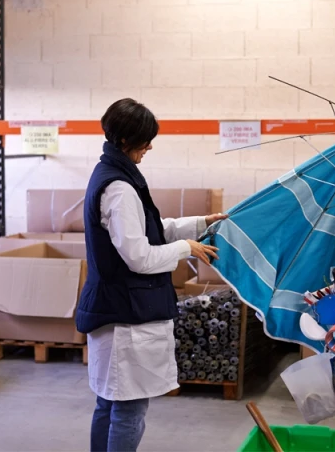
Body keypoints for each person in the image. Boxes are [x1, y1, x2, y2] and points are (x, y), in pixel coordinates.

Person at [75, 98, 228, 452]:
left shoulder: (113, 175)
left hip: (114, 311)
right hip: (126, 317)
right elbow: (139, 257)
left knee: (108, 404)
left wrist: (200, 224)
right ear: (126, 141)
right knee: (128, 410)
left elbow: (149, 230)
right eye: (145, 140)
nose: (150, 147)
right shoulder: (120, 188)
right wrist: (186, 249)